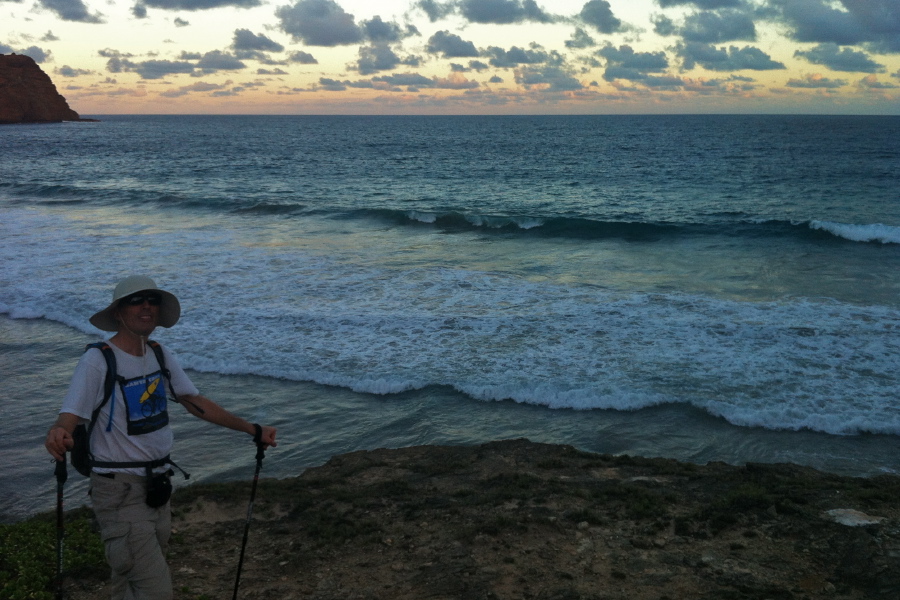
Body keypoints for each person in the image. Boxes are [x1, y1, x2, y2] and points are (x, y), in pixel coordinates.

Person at [44, 275, 277, 600]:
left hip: (158, 486)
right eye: (136, 300)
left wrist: (253, 429)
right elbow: (70, 415)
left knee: (131, 584)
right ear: (118, 312)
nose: (146, 306)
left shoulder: (159, 353)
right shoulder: (98, 360)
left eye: (152, 300)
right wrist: (59, 432)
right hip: (119, 491)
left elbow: (194, 401)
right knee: (155, 591)